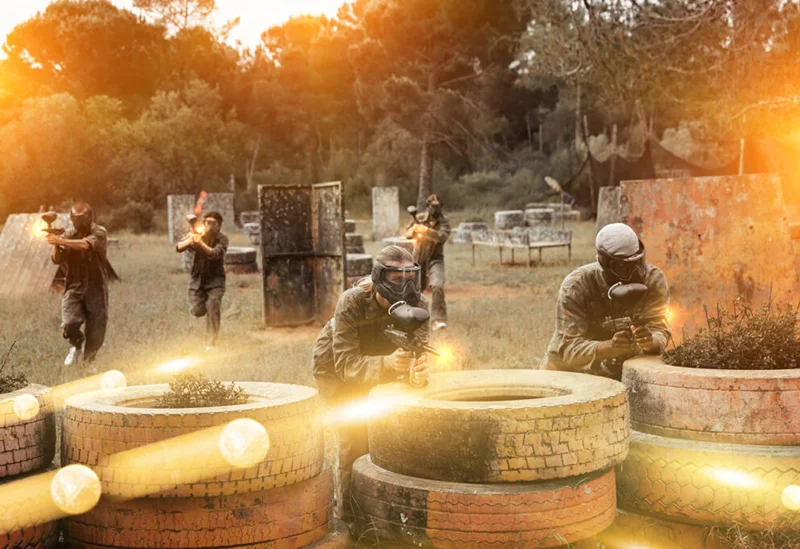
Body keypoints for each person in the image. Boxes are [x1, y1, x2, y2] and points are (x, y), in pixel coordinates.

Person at [312, 245, 430, 524]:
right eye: (396, 280)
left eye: (410, 278)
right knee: (355, 441)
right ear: (379, 277)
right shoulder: (352, 301)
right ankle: (351, 520)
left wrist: (417, 373)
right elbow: (347, 366)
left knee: (394, 435)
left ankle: (389, 517)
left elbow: (420, 354)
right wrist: (387, 365)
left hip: (384, 365)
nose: (406, 286)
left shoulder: (418, 307)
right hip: (335, 370)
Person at [543, 223, 671, 379]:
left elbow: (660, 328)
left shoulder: (653, 280)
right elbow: (569, 349)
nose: (633, 272)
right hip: (568, 374)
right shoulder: (576, 286)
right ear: (604, 262)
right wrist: (609, 347)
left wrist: (650, 342)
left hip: (621, 374)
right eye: (624, 266)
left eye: (637, 262)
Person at [47, 202, 115, 366]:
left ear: (89, 218)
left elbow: (85, 244)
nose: (78, 224)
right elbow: (57, 259)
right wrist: (56, 243)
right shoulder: (70, 234)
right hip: (74, 286)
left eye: (81, 220)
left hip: (95, 288)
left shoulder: (99, 232)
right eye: (76, 220)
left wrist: (61, 240)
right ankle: (76, 345)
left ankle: (89, 362)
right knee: (69, 323)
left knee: (96, 329)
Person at [176, 211, 228, 349]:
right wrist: (191, 239)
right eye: (207, 222)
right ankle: (208, 311)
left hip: (215, 281)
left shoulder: (222, 239)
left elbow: (215, 254)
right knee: (197, 310)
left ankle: (211, 343)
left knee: (213, 305)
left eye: (213, 223)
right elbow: (179, 247)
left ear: (219, 226)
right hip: (197, 279)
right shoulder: (198, 234)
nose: (209, 226)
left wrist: (201, 244)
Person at [405, 194, 451, 331]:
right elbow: (407, 233)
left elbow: (442, 237)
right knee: (413, 288)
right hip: (419, 258)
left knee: (437, 285)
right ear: (428, 207)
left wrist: (427, 231)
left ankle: (438, 320)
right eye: (432, 206)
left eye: (437, 206)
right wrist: (412, 230)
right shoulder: (419, 218)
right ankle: (411, 317)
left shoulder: (445, 222)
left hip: (435, 259)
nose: (435, 209)